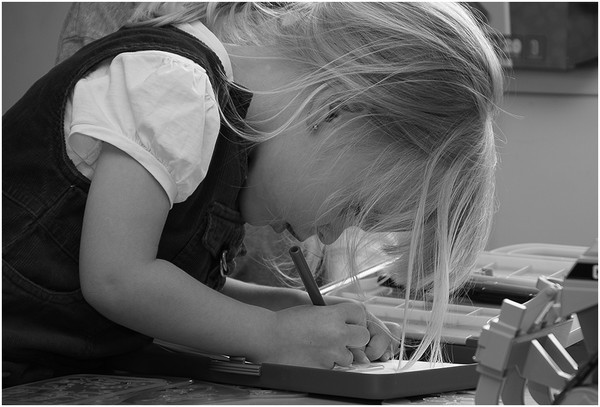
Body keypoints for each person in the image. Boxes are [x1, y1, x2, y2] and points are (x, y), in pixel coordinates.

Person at [3, 2, 504, 386]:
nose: (326, 235)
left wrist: (289, 313)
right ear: (335, 111)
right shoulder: (174, 85)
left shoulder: (220, 141)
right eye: (353, 208)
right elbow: (119, 277)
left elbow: (175, 287)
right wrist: (270, 336)